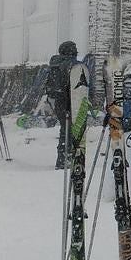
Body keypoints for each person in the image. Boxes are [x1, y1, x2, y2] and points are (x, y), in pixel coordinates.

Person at [46, 41, 80, 169]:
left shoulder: (54, 64)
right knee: (71, 131)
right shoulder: (73, 64)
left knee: (64, 130)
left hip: (58, 102)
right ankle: (66, 159)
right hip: (71, 101)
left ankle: (62, 158)